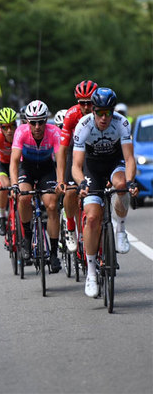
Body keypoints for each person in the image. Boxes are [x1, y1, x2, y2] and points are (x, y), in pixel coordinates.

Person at [72, 87, 138, 298]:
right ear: (93, 110)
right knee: (92, 218)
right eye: (99, 112)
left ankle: (120, 229)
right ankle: (91, 273)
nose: (103, 117)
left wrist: (130, 182)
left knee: (120, 186)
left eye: (107, 113)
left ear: (113, 111)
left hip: (114, 164)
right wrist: (81, 183)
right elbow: (76, 165)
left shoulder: (122, 123)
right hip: (92, 169)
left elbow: (129, 159)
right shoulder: (83, 126)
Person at [10, 100, 62, 273]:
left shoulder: (54, 132)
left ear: (46, 120)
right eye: (33, 122)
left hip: (47, 169)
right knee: (23, 197)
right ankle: (26, 236)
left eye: (41, 121)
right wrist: (14, 184)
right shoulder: (21, 132)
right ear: (27, 122)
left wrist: (61, 181)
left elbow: (60, 161)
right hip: (28, 168)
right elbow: (14, 161)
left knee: (52, 205)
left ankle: (54, 253)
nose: (37, 126)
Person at [55, 80, 98, 253]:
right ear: (77, 102)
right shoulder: (72, 115)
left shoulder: (103, 113)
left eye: (90, 103)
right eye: (82, 103)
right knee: (71, 191)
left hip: (95, 151)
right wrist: (60, 180)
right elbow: (62, 150)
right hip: (76, 149)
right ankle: (71, 226)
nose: (86, 107)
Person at [0, 107, 18, 235]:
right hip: (3, 165)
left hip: (17, 164)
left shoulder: (20, 135)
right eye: (5, 127)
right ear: (0, 127)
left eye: (12, 126)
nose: (9, 131)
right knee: (5, 186)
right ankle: (1, 216)